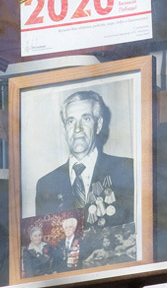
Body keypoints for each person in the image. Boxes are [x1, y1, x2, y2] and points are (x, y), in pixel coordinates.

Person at [35, 90, 135, 226]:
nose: (78, 129)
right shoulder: (46, 185)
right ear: (64, 130)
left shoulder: (127, 171)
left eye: (86, 119)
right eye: (71, 121)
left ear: (98, 125)